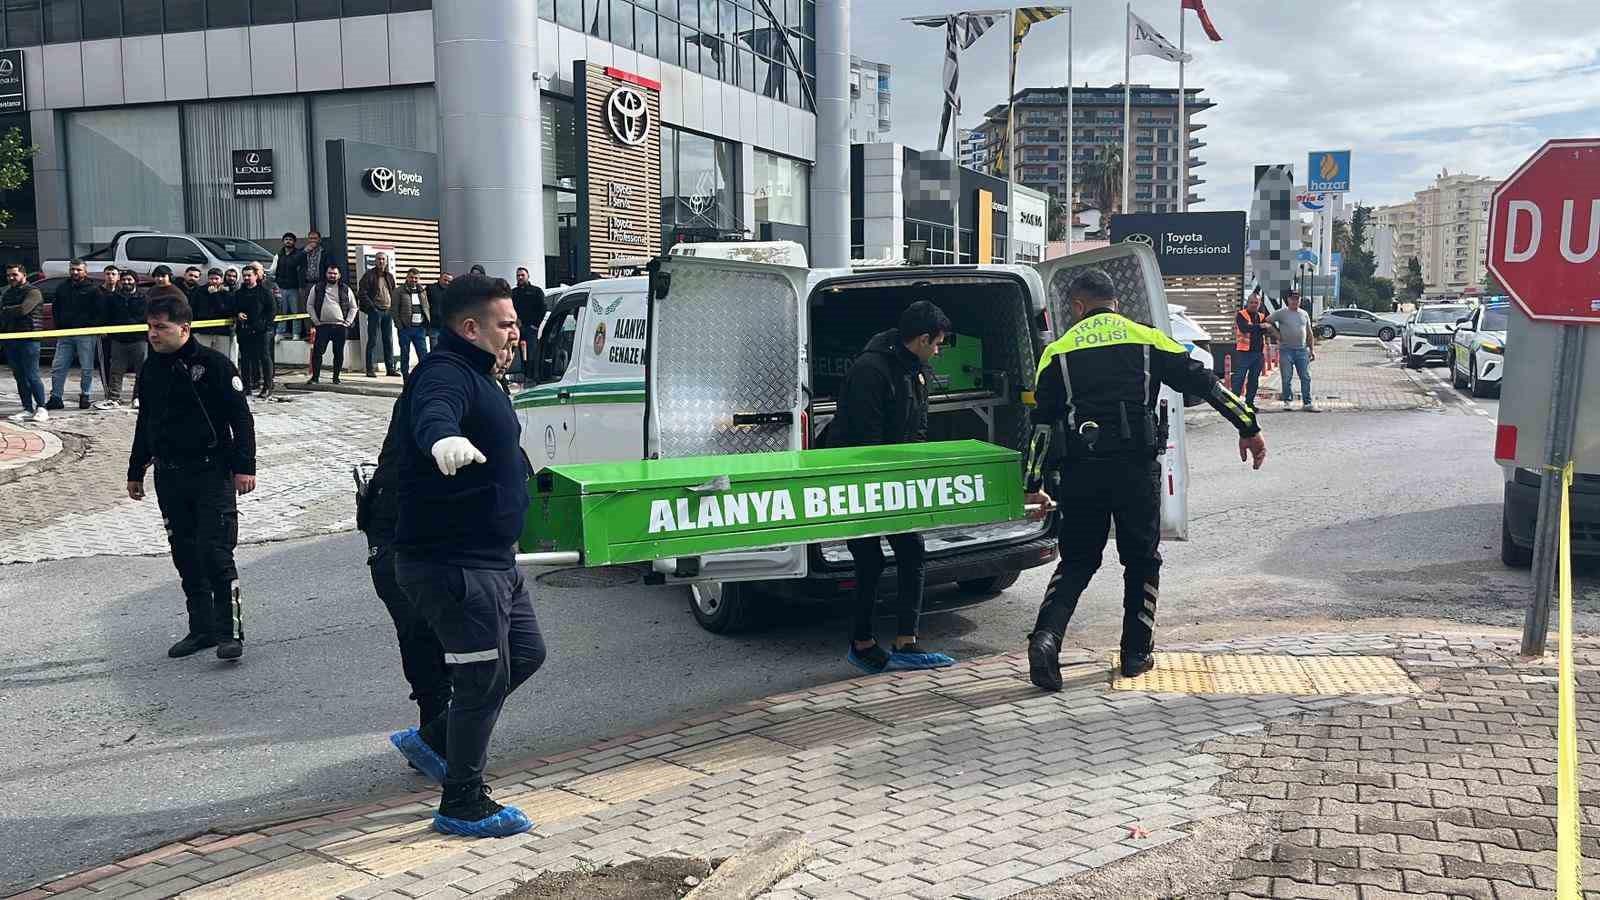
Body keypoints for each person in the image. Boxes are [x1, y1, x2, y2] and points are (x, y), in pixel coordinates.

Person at [1025, 270, 1267, 691]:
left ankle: (1046, 640)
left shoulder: (1057, 352)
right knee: (1141, 559)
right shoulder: (1148, 338)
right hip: (1135, 470)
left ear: (1079, 307)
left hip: (1081, 471)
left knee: (1078, 560)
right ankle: (1136, 653)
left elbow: (1041, 428)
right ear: (1114, 302)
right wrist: (1247, 424)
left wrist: (1033, 481)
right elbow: (1207, 384)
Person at [388, 274, 544, 838]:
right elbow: (434, 412)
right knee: (482, 678)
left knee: (524, 655)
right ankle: (463, 801)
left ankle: (432, 739)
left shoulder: (483, 374)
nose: (515, 331)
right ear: (470, 327)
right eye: (506, 323)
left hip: (492, 557)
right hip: (453, 562)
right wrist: (441, 440)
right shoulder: (444, 373)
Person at [826, 301, 956, 674]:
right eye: (937, 344)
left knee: (911, 551)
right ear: (921, 338)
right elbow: (867, 439)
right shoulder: (872, 370)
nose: (939, 350)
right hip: (861, 477)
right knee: (869, 559)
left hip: (894, 478)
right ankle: (862, 643)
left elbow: (916, 427)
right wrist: (887, 478)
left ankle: (906, 643)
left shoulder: (916, 369)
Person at [127, 290, 255, 661]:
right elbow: (144, 422)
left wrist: (245, 467)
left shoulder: (213, 365)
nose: (153, 333)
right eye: (150, 326)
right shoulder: (151, 368)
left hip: (211, 472)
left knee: (215, 552)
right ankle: (202, 629)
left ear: (184, 328)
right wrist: (136, 470)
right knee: (185, 555)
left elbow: (241, 420)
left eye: (161, 327)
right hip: (169, 475)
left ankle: (230, 632)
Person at [356, 402, 451, 739]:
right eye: (506, 346)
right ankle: (436, 725)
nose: (508, 355)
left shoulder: (485, 388)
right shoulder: (436, 390)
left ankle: (443, 726)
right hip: (394, 530)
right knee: (417, 627)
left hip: (438, 532)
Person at [47, 259, 102, 411]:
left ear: (85, 271)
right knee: (58, 367)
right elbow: (55, 308)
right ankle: (56, 397)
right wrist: (58, 327)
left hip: (85, 334)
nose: (75, 272)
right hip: (65, 334)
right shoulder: (62, 287)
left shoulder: (93, 289)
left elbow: (99, 312)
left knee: (86, 367)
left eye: (78, 269)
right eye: (72, 269)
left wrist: (91, 327)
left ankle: (85, 396)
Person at [0, 264, 48, 423]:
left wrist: (7, 310)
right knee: (19, 376)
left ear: (24, 275)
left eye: (14, 274)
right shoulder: (7, 294)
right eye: (8, 275)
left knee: (32, 375)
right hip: (10, 339)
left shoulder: (33, 292)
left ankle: (42, 408)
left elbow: (24, 310)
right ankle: (27, 408)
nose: (11, 278)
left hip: (29, 339)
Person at [98, 271, 148, 410]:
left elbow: (146, 316)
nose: (127, 282)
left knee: (141, 370)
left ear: (135, 281)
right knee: (116, 370)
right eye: (124, 280)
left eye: (130, 279)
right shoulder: (114, 297)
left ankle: (138, 397)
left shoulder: (144, 297)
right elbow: (107, 315)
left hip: (139, 339)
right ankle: (114, 397)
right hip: (118, 340)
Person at [307, 262, 357, 384]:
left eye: (335, 274)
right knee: (318, 352)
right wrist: (316, 321)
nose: (332, 276)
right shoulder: (317, 287)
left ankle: (336, 378)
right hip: (322, 326)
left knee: (338, 353)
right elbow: (310, 305)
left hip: (340, 327)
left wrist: (348, 322)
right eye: (330, 273)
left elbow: (353, 307)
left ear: (339, 275)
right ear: (326, 274)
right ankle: (315, 378)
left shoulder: (346, 289)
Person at [1267, 291, 1315, 410]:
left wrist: (1312, 349)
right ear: (1288, 300)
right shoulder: (1281, 313)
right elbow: (1267, 322)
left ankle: (1307, 403)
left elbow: (1309, 333)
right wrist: (1276, 334)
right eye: (1293, 299)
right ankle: (1287, 401)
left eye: (1297, 299)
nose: (1295, 301)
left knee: (1305, 376)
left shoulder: (1304, 314)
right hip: (1286, 350)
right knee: (1287, 377)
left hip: (1302, 350)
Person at [234, 265, 277, 399]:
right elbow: (233, 306)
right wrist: (237, 313)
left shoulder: (264, 292)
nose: (246, 278)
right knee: (245, 359)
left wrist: (263, 325)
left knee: (264, 358)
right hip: (244, 330)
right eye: (244, 275)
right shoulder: (239, 293)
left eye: (249, 275)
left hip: (261, 331)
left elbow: (272, 311)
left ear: (256, 276)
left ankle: (267, 387)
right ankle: (246, 387)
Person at [358, 252, 399, 378]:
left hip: (388, 311)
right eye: (379, 259)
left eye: (383, 259)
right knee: (372, 340)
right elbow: (362, 293)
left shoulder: (390, 276)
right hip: (375, 311)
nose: (381, 261)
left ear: (386, 261)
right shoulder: (369, 275)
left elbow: (393, 292)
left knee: (388, 340)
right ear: (375, 261)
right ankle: (369, 369)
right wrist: (372, 307)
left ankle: (390, 368)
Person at [1231, 289, 1270, 410]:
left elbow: (1266, 330)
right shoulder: (1241, 314)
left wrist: (1258, 327)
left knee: (1254, 380)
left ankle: (1249, 403)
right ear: (1247, 303)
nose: (1254, 305)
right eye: (1252, 302)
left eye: (1256, 303)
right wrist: (1259, 327)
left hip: (1258, 353)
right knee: (1239, 379)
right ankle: (1235, 403)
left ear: (1259, 304)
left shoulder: (1261, 316)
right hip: (1244, 353)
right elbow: (1244, 328)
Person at [190, 269, 235, 359]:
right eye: (211, 278)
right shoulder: (199, 292)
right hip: (202, 332)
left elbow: (226, 311)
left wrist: (215, 295)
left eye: (216, 278)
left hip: (221, 332)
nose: (213, 281)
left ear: (221, 280)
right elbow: (192, 309)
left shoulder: (227, 294)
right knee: (201, 358)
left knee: (221, 358)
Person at [395, 267, 431, 378]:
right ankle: (405, 376)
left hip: (420, 328)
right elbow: (394, 310)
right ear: (407, 277)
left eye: (416, 278)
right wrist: (400, 326)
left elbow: (426, 307)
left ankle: (424, 376)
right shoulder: (399, 291)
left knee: (423, 354)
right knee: (405, 354)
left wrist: (426, 323)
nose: (413, 280)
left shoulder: (422, 291)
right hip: (405, 328)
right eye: (411, 277)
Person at [510, 268, 545, 381]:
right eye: (518, 275)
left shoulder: (536, 291)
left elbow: (542, 309)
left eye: (522, 275)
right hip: (517, 328)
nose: (520, 277)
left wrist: (535, 325)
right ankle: (521, 376)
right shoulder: (513, 293)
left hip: (531, 328)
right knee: (517, 355)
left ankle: (533, 377)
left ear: (528, 276)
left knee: (532, 355)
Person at [272, 233, 301, 338]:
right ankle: (280, 332)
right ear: (283, 241)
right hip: (281, 287)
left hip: (294, 288)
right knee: (282, 311)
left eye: (290, 239)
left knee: (295, 312)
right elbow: (272, 270)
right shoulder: (279, 254)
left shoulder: (298, 254)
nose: (288, 241)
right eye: (286, 239)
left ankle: (296, 333)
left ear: (294, 242)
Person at [425, 271, 453, 350]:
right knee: (435, 349)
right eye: (445, 280)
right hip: (434, 326)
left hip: (448, 327)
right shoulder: (431, 288)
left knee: (447, 350)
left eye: (449, 281)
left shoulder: (452, 291)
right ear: (440, 279)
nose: (447, 283)